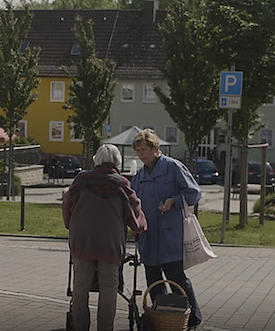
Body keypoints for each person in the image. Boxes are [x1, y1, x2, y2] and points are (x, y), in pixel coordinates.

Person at [62, 144, 147, 331]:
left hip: (82, 240)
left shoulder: (81, 179)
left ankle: (80, 327)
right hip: (110, 242)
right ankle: (105, 328)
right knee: (109, 286)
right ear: (117, 161)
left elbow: (67, 203)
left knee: (81, 286)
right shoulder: (121, 183)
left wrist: (70, 224)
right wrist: (139, 226)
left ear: (96, 159)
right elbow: (135, 211)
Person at [130, 129, 203, 330]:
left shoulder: (172, 168)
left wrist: (175, 200)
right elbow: (132, 203)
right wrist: (133, 225)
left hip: (171, 235)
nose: (140, 154)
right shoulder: (139, 176)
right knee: (153, 280)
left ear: (155, 149)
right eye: (137, 150)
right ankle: (163, 318)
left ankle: (193, 319)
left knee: (177, 278)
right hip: (149, 238)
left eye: (143, 149)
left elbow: (194, 193)